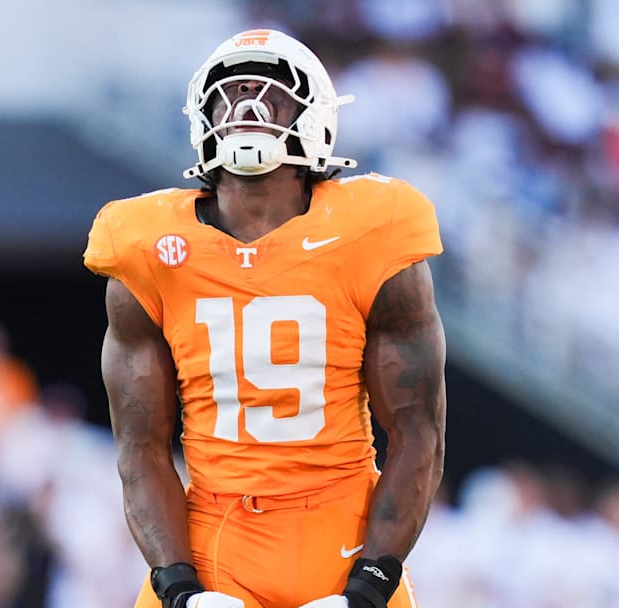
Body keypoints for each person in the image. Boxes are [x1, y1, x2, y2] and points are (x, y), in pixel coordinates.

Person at [83, 29, 446, 608]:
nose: (248, 107)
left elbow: (418, 432)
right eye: (231, 93)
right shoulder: (147, 244)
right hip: (212, 540)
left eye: (271, 93)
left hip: (341, 528)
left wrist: (370, 587)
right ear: (202, 119)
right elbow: (140, 448)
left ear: (315, 116)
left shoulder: (375, 228)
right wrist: (178, 588)